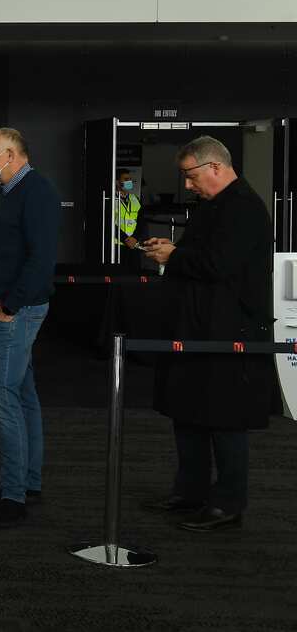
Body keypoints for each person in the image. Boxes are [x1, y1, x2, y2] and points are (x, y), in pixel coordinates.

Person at [141, 136, 275, 532]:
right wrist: (174, 250)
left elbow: (220, 265)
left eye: (190, 176)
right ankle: (191, 492)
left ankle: (228, 503)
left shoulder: (245, 207)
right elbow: (206, 256)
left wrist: (175, 256)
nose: (187, 185)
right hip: (200, 328)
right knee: (189, 412)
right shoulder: (215, 206)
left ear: (215, 167)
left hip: (228, 332)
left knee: (224, 419)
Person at [0, 128, 60, 528]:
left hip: (16, 312)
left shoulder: (36, 192)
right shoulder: (14, 192)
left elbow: (40, 260)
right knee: (23, 396)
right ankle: (26, 482)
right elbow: (8, 252)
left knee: (3, 397)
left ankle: (14, 496)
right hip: (5, 307)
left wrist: (8, 304)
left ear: (11, 154)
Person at [115, 168, 143, 270]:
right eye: (126, 179)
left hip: (134, 245)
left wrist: (134, 238)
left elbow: (141, 222)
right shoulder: (110, 200)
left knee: (135, 276)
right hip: (117, 245)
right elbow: (109, 223)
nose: (129, 182)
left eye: (130, 179)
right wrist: (126, 239)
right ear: (117, 182)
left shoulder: (135, 199)